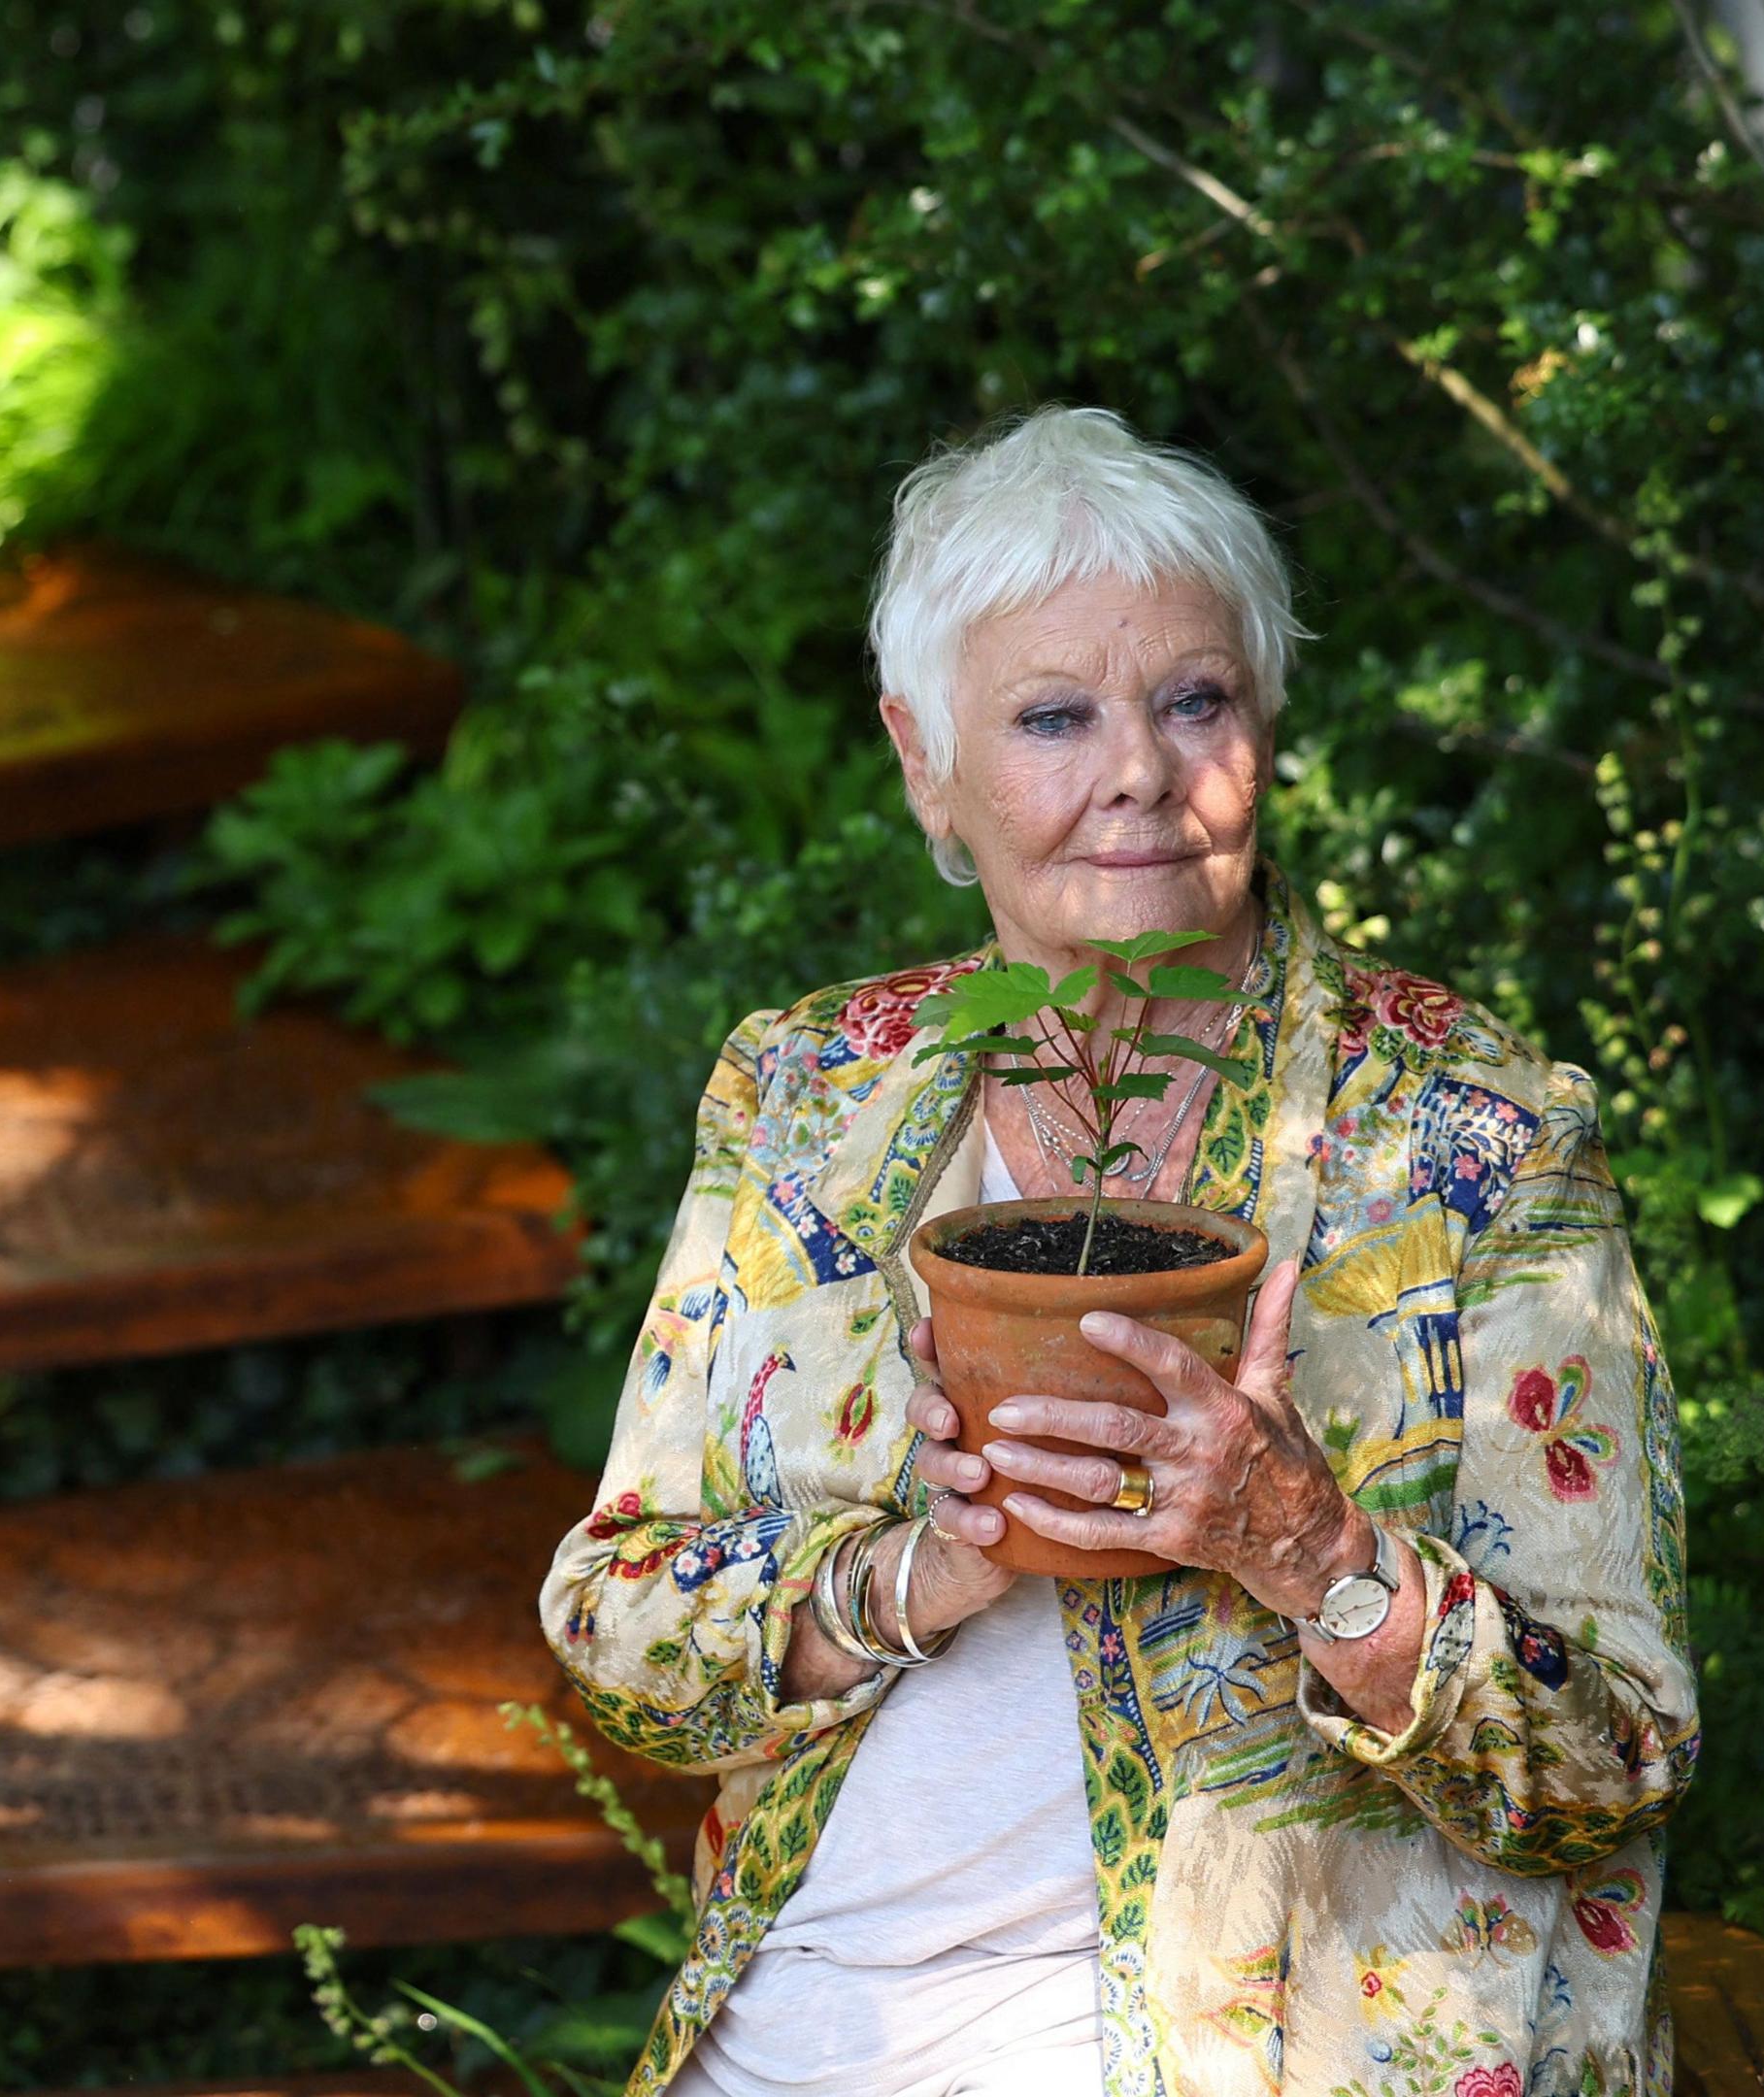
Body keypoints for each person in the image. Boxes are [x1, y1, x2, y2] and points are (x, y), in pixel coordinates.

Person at [545, 407, 1694, 2097]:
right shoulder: (810, 1095)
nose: (1139, 770)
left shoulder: (1469, 1132)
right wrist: (905, 1576)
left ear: (1268, 723)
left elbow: (1619, 1749)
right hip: (823, 2018)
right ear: (922, 755)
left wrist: (1312, 1554)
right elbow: (616, 1631)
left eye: (1195, 700)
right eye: (1052, 716)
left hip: (1281, 2042)